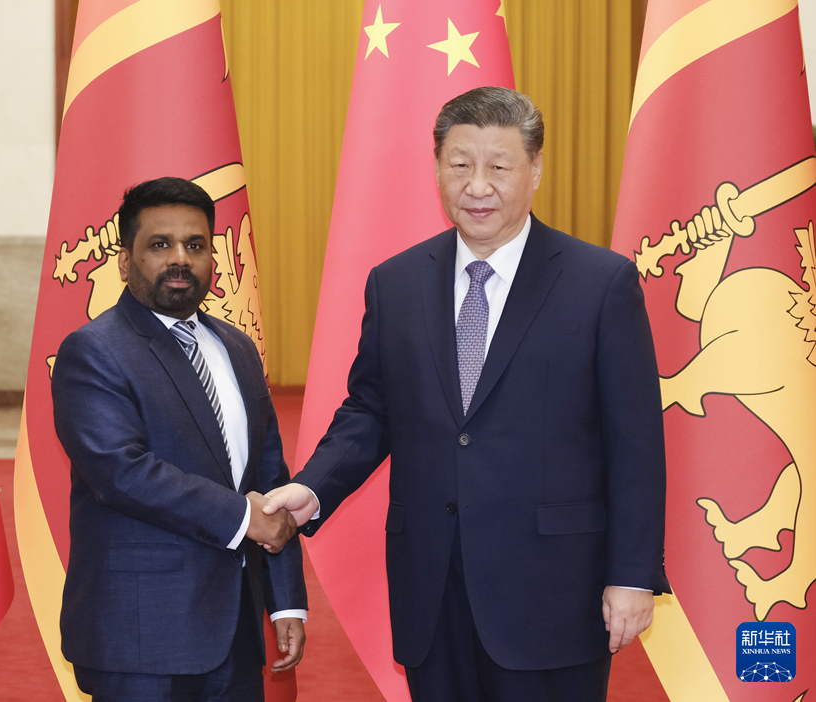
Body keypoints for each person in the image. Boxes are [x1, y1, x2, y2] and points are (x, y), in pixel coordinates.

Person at [263, 87, 669, 701]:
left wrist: (633, 575)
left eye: (499, 167)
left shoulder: (600, 283)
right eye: (460, 165)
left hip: (554, 590)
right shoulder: (396, 283)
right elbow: (372, 408)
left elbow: (635, 442)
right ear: (437, 168)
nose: (478, 186)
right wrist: (314, 485)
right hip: (434, 586)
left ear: (535, 170)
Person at [51, 177, 307, 702]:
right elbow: (122, 472)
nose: (180, 259)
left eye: (195, 245)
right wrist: (243, 518)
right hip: (142, 636)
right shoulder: (93, 351)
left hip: (236, 632)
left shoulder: (238, 347)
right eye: (160, 244)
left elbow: (269, 479)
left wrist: (285, 600)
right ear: (125, 262)